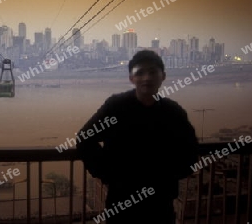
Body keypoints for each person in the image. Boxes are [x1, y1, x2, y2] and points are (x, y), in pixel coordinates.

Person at [76, 50, 199, 223]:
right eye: (140, 73)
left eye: (152, 72)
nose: (146, 78)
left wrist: (171, 175)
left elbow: (191, 150)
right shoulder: (116, 107)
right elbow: (85, 138)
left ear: (163, 76)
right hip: (121, 200)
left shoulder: (173, 112)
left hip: (160, 202)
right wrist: (106, 173)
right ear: (131, 78)